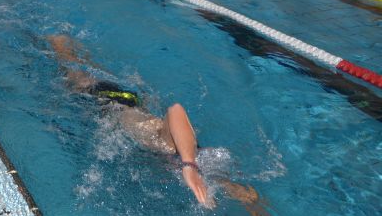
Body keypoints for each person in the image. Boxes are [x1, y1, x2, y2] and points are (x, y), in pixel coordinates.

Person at [48, 35, 270, 213]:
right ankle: (57, 41)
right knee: (68, 65)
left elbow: (243, 192)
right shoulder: (171, 148)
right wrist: (189, 167)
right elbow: (176, 109)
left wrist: (253, 205)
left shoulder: (183, 150)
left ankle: (69, 44)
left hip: (129, 104)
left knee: (82, 65)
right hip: (107, 100)